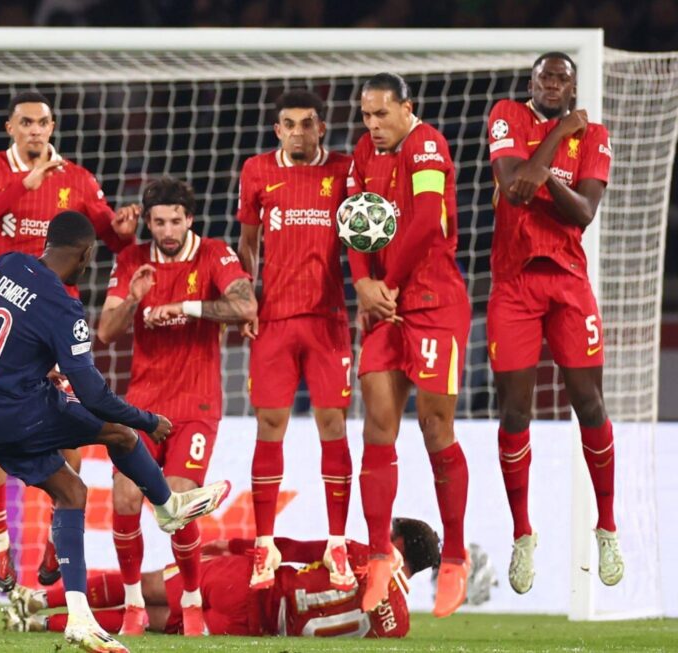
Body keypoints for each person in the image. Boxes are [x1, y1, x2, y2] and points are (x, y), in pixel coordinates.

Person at [0, 210, 231, 653]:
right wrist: (148, 420)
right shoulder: (63, 307)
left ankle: (80, 619)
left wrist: (29, 368)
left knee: (71, 492)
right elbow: (96, 396)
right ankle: (168, 506)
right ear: (85, 255)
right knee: (121, 432)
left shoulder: (5, 264)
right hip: (16, 412)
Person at [0, 91, 141, 590]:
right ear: (10, 128)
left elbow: (105, 237)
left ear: (52, 127)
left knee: (72, 431)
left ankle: (58, 539)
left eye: (42, 123)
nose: (35, 130)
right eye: (26, 123)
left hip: (56, 330)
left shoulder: (77, 178)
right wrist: (23, 184)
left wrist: (122, 231)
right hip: (6, 327)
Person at [486, 52, 622, 593]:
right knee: (514, 410)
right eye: (544, 75)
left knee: (589, 403)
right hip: (514, 284)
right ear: (531, 82)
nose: (552, 82)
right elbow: (511, 185)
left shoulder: (597, 136)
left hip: (568, 282)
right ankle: (522, 533)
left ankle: (607, 527)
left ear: (573, 86)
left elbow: (583, 212)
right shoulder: (506, 114)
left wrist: (537, 172)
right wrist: (559, 134)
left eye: (562, 77)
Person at [97, 176, 256, 636]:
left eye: (175, 221)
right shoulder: (132, 260)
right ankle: (133, 605)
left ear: (190, 219)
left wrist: (186, 307)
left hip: (195, 405)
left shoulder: (214, 254)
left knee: (179, 505)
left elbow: (246, 306)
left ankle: (191, 601)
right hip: (142, 406)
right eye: (159, 222)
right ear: (148, 222)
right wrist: (133, 299)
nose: (167, 231)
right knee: (125, 497)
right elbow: (106, 330)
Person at [346, 73, 471, 618]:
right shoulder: (363, 152)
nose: (373, 125)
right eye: (366, 115)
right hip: (384, 303)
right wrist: (362, 284)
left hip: (433, 303)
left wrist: (388, 283)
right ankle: (379, 554)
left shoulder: (427, 145)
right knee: (377, 425)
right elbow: (353, 223)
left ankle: (455, 556)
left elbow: (423, 223)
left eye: (381, 114)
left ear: (406, 108)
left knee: (435, 426)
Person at [235, 89, 356, 592]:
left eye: (308, 123)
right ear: (277, 130)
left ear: (321, 128)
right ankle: (265, 544)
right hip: (275, 320)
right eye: (289, 124)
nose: (299, 132)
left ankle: (337, 543)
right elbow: (247, 242)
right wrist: (246, 295)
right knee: (270, 425)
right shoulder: (257, 171)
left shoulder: (345, 171)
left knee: (333, 424)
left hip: (329, 319)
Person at [6, 518, 441, 640]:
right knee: (150, 621)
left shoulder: (365, 556)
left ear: (398, 541)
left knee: (144, 588)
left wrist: (232, 545)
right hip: (254, 627)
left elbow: (292, 549)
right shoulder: (398, 627)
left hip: (251, 583)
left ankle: (40, 600)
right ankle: (38, 625)